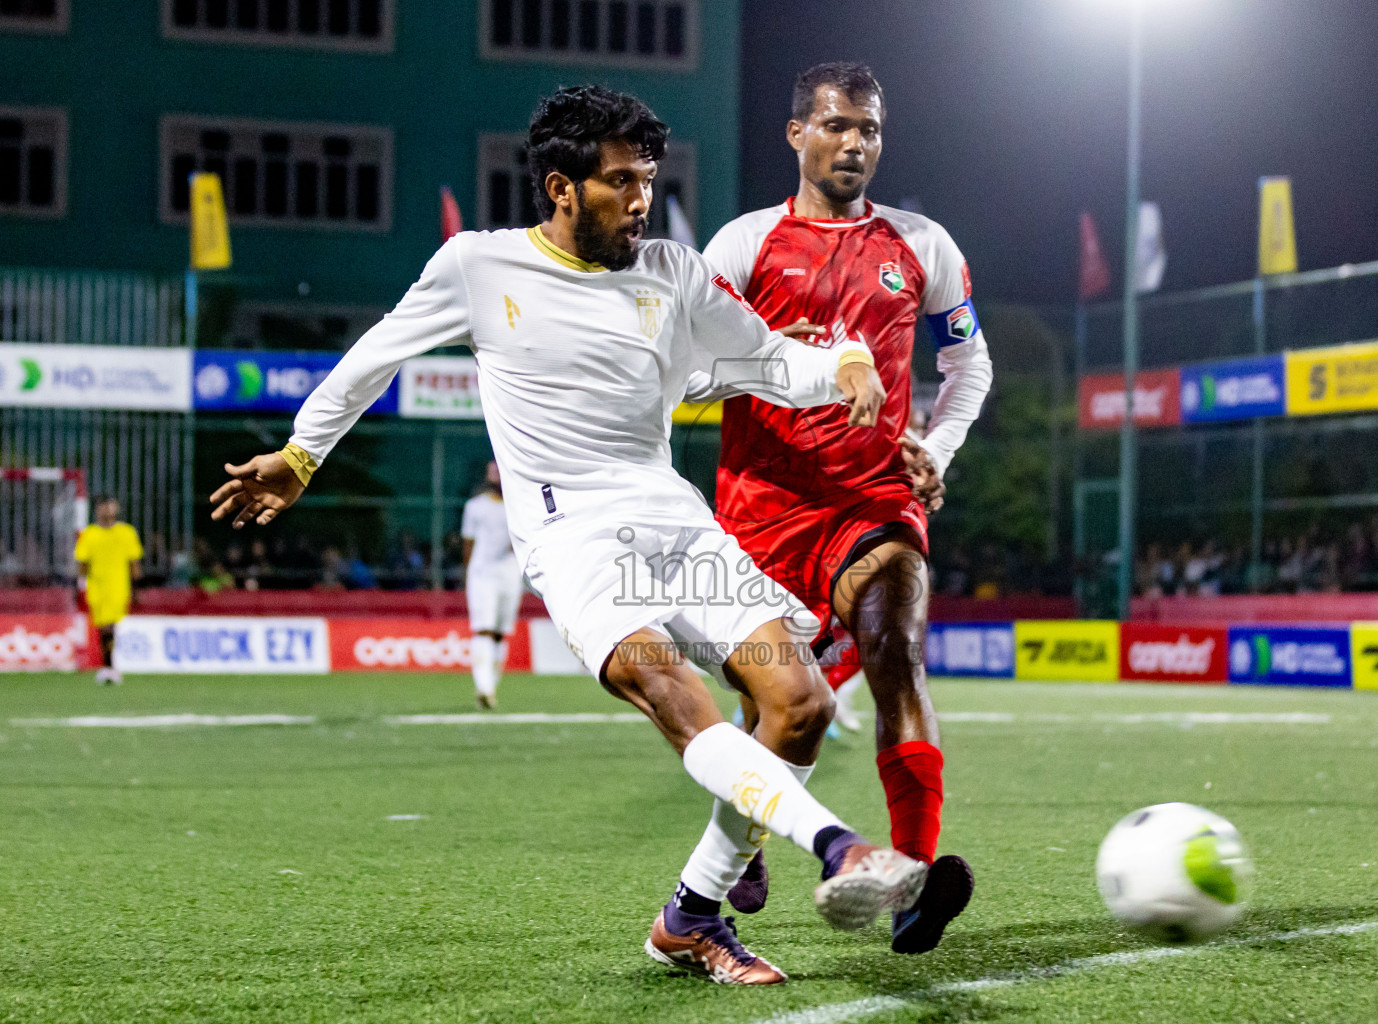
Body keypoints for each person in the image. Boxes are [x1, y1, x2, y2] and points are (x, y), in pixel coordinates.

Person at [208, 85, 922, 986]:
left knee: (803, 704)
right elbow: (375, 356)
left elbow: (767, 357)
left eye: (647, 181)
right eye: (620, 182)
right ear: (560, 187)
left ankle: (691, 918)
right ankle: (840, 847)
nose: (639, 201)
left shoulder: (672, 271)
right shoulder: (479, 266)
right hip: (573, 538)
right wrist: (300, 455)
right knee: (671, 689)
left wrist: (844, 363)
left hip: (671, 521)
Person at [690, 61, 993, 955]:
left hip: (875, 502)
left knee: (897, 652)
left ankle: (911, 880)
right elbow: (692, 368)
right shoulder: (742, 246)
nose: (854, 143)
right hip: (762, 509)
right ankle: (744, 832)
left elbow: (968, 367)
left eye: (868, 129)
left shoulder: (923, 246)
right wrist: (802, 367)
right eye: (836, 126)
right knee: (780, 707)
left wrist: (932, 453)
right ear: (797, 135)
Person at [461, 460, 523, 709]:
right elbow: (468, 542)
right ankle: (483, 687)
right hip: (483, 574)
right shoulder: (475, 507)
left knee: (499, 632)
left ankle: (491, 688)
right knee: (483, 628)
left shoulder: (519, 506)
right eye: (492, 470)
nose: (496, 474)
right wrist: (469, 573)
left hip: (510, 574)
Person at [74, 495, 143, 685]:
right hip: (96, 587)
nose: (106, 510)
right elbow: (82, 563)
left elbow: (134, 562)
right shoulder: (89, 534)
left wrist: (136, 588)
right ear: (96, 510)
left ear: (116, 508)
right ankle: (108, 666)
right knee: (104, 628)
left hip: (119, 586)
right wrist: (80, 585)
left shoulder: (127, 532)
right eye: (102, 506)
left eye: (109, 505)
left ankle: (109, 667)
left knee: (109, 627)